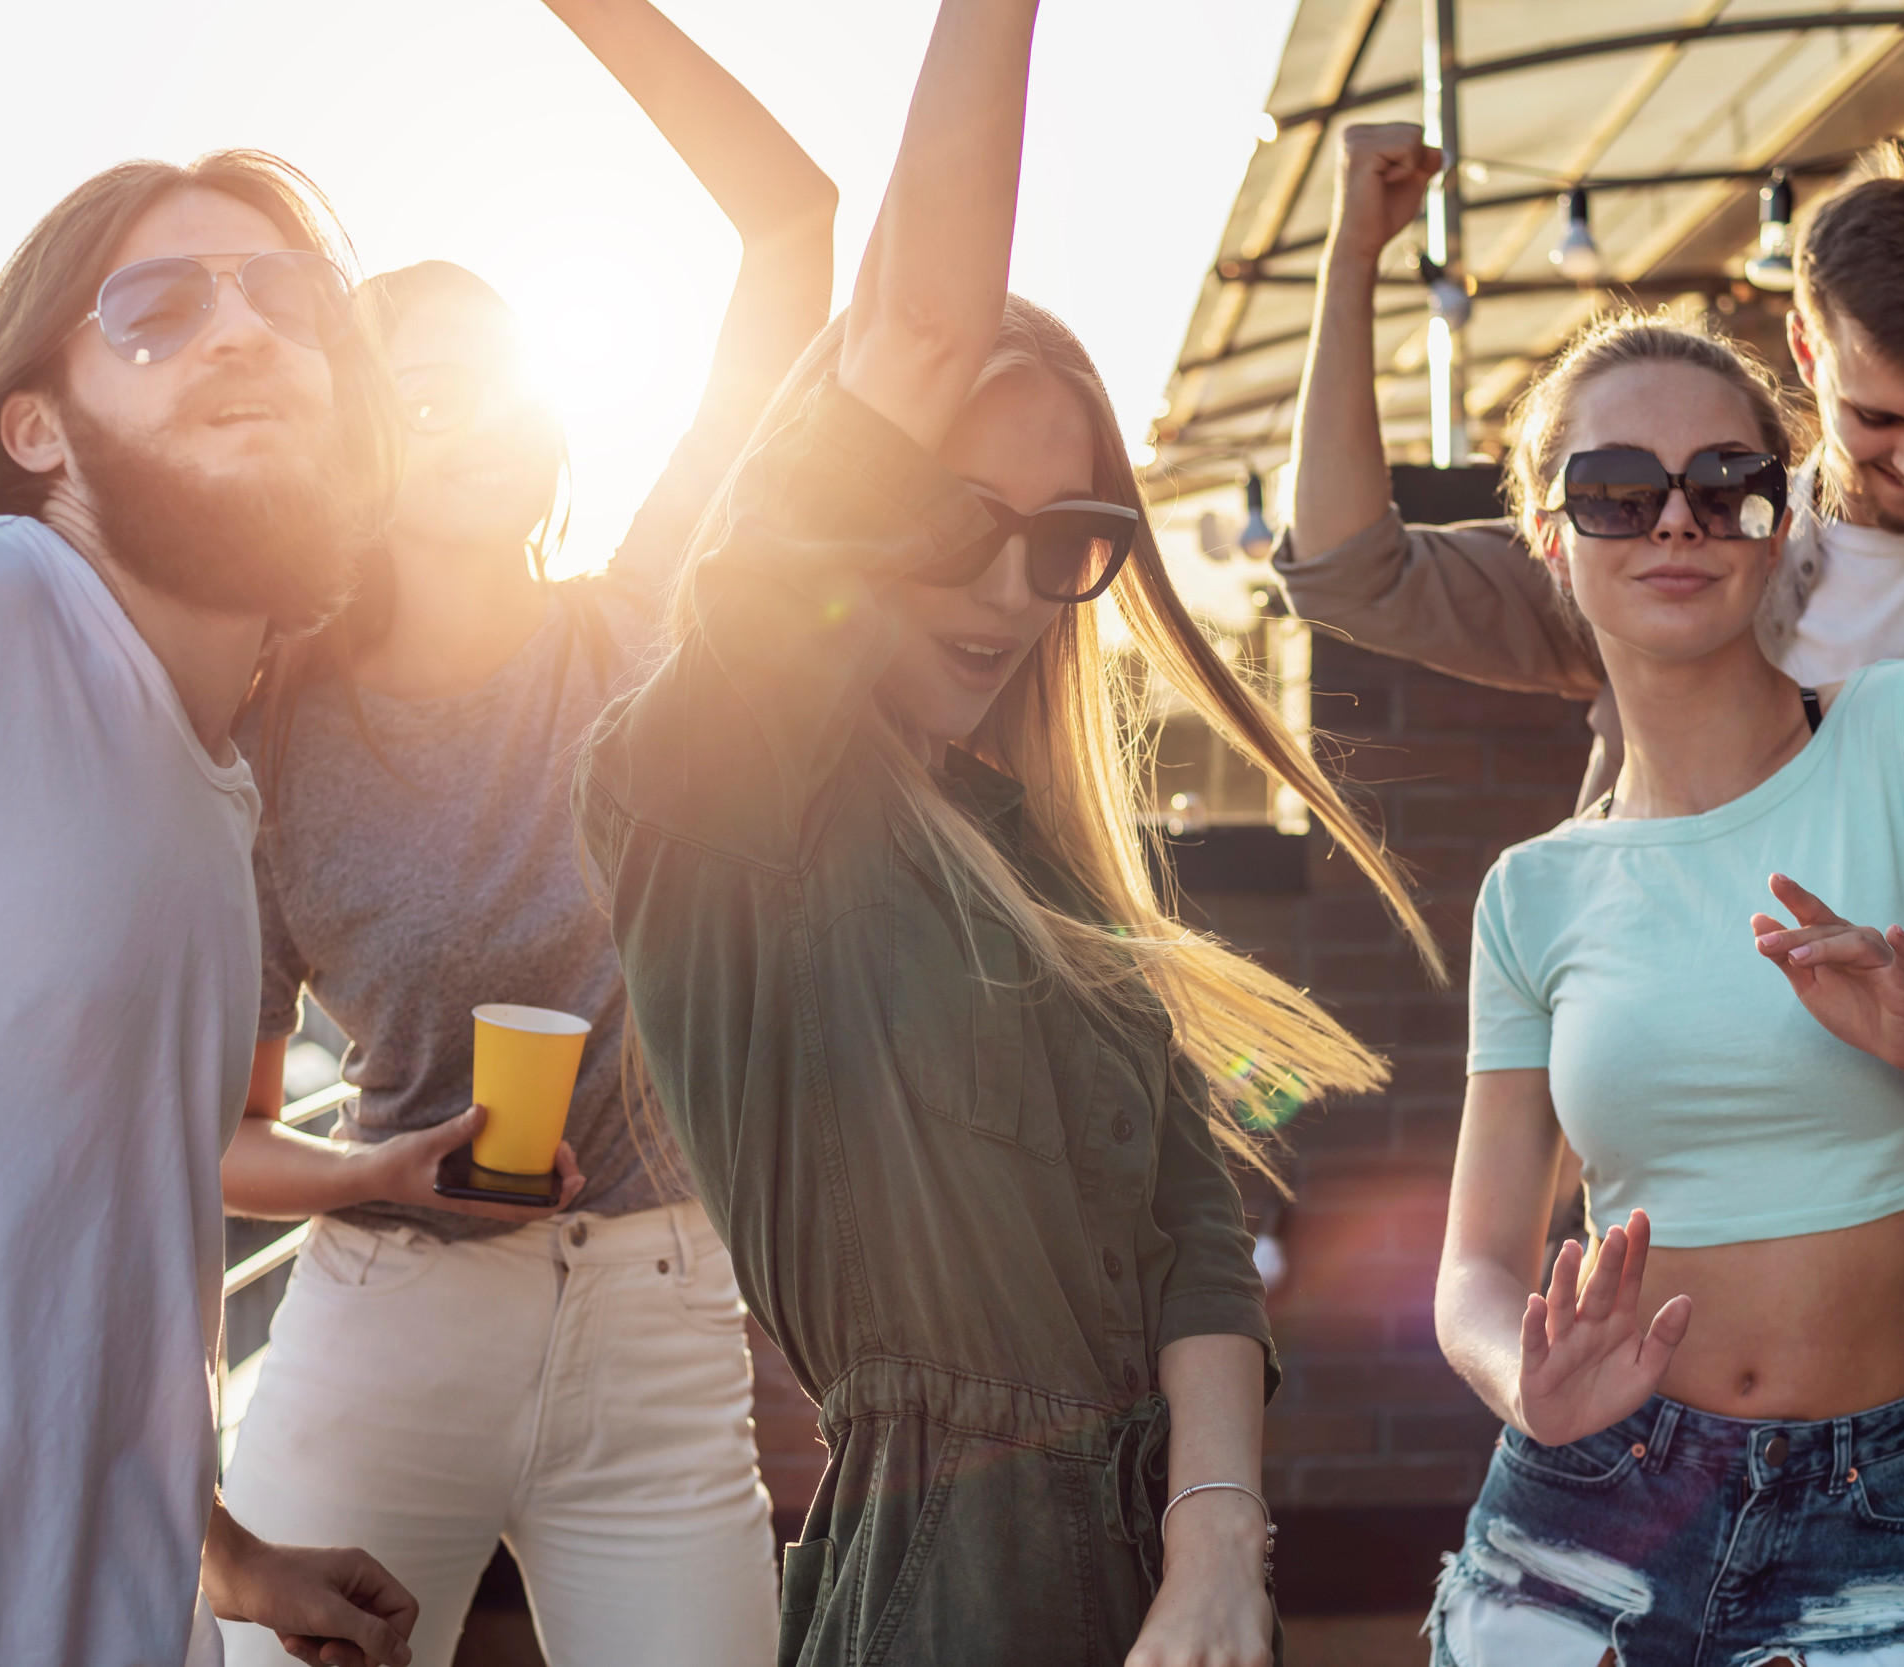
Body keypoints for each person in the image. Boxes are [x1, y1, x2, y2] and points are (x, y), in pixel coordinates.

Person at [580, 2, 1437, 1662]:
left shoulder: (1041, 859)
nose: (1008, 587)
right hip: (941, 1595)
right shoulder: (716, 785)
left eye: (1068, 538)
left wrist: (1213, 1548)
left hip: (1156, 1589)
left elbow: (1194, 1233)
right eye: (952, 521)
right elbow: (903, 328)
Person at [1282, 130, 1904, 1666]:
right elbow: (1348, 571)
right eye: (1877, 417)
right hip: (1671, 1367)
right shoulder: (1667, 565)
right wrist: (1353, 253)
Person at [213, 5, 835, 1663]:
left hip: (656, 1316)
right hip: (386, 1325)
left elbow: (796, 226)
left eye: (493, 383)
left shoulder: (641, 628)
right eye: (415, 399)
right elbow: (226, 1134)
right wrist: (373, 1168)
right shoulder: (272, 731)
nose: (467, 420)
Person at [0, 152, 421, 1667]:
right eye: (155, 309)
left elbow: (89, 1249)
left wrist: (225, 1557)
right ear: (36, 426)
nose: (241, 331)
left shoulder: (210, 795)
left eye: (286, 297)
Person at [1427, 307, 1904, 1663]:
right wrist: (1516, 1380)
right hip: (1586, 1501)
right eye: (1615, 491)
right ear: (1550, 534)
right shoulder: (1532, 891)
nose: (1677, 523)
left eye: (1726, 483)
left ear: (1781, 515)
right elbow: (1474, 1262)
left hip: (1867, 1512)